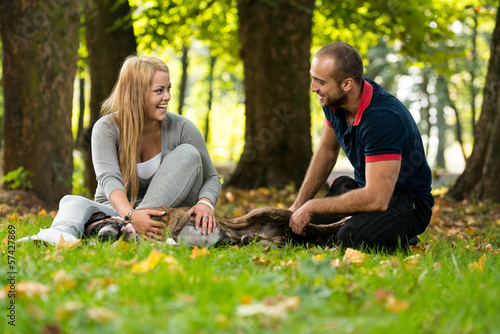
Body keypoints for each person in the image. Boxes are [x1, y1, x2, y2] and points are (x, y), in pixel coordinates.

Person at [23, 55, 221, 244]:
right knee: (72, 202)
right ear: (136, 93)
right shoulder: (106, 128)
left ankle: (122, 230)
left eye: (168, 89)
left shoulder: (182, 127)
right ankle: (58, 236)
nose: (167, 97)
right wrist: (130, 214)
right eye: (159, 91)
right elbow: (109, 178)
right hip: (117, 210)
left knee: (188, 153)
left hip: (162, 212)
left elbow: (211, 176)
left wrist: (205, 202)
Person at [289, 42, 434, 251]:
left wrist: (313, 206)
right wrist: (298, 206)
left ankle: (400, 235)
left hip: (406, 200)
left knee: (353, 237)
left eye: (320, 81)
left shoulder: (383, 118)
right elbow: (327, 151)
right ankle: (361, 226)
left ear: (347, 84)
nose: (313, 88)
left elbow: (377, 198)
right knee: (298, 230)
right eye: (313, 78)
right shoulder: (333, 101)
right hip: (365, 191)